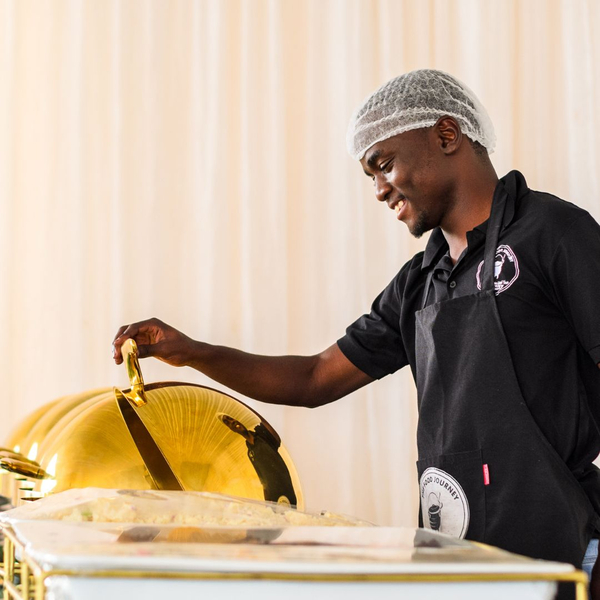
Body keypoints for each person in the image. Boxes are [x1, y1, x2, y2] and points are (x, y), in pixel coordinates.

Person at [113, 69, 600, 598]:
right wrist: (191, 352)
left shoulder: (554, 234)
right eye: (370, 175)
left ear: (445, 134)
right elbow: (315, 378)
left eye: (384, 164)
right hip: (458, 559)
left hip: (568, 555)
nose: (378, 190)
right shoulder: (419, 284)